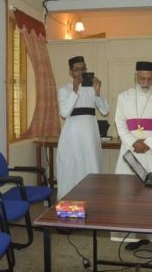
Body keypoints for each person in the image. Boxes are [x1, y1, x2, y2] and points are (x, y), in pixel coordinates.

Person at [113, 61, 152, 255]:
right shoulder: (124, 97)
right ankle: (135, 235)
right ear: (135, 76)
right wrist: (133, 142)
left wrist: (149, 142)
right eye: (142, 78)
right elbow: (120, 123)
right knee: (131, 195)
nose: (145, 82)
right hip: (131, 151)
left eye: (149, 78)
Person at [56, 56, 109, 201]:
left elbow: (105, 111)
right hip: (72, 137)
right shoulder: (64, 90)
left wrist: (97, 92)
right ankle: (68, 205)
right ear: (71, 72)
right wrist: (74, 90)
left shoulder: (92, 88)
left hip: (90, 137)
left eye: (83, 69)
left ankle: (92, 202)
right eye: (76, 70)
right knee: (71, 168)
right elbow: (64, 112)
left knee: (91, 167)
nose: (80, 72)